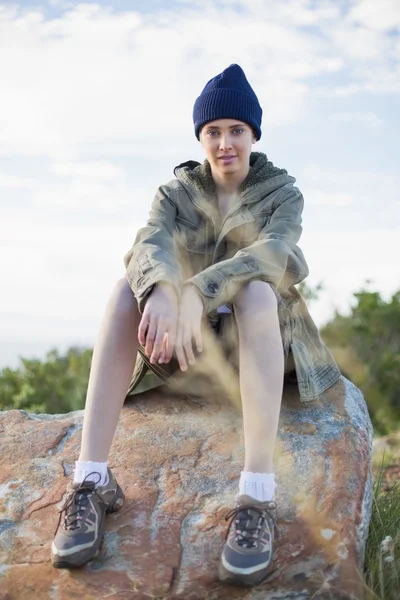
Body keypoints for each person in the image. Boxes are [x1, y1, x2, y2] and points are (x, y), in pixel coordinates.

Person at [51, 64, 341, 586]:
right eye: (213, 131)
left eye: (236, 130)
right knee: (126, 290)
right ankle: (90, 481)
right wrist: (164, 289)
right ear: (200, 136)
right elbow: (149, 243)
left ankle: (256, 495)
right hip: (187, 352)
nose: (224, 143)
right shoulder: (177, 192)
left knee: (254, 289)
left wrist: (195, 290)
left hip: (260, 350)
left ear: (253, 133)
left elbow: (278, 256)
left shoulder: (282, 194)